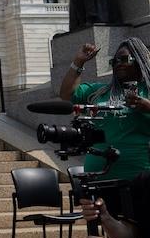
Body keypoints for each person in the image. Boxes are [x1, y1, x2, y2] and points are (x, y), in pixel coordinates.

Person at [58, 39, 150, 190]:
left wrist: (148, 107)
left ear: (140, 61)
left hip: (140, 178)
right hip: (99, 177)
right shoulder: (100, 92)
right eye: (114, 61)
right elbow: (67, 94)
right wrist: (79, 61)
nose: (118, 63)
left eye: (124, 59)